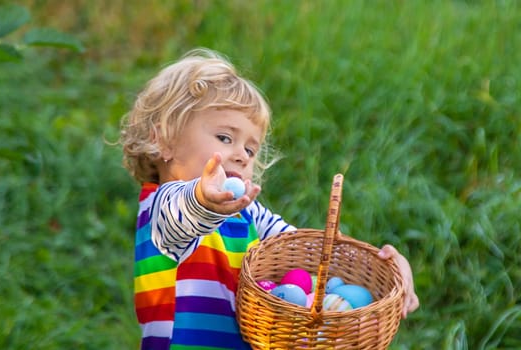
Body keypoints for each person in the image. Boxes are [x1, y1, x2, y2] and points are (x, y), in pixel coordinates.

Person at [119, 48, 419, 349]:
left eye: (250, 150)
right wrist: (202, 199)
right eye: (225, 138)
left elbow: (311, 253)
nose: (241, 156)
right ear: (164, 141)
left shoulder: (248, 214)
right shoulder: (162, 206)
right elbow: (183, 215)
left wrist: (384, 268)